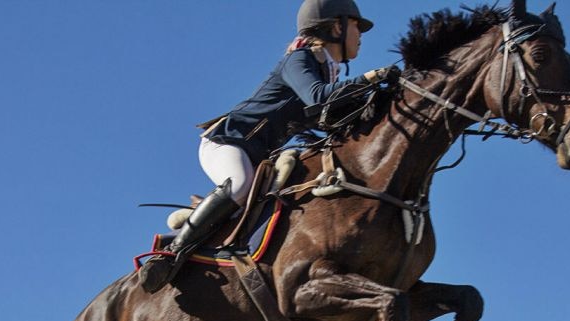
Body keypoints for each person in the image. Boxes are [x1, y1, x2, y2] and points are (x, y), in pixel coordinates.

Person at [139, 0, 400, 294]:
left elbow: (333, 118)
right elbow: (319, 98)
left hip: (259, 155)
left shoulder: (327, 70)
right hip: (227, 142)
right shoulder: (300, 60)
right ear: (336, 26)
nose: (360, 35)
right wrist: (371, 78)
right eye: (356, 26)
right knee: (239, 185)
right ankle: (172, 255)